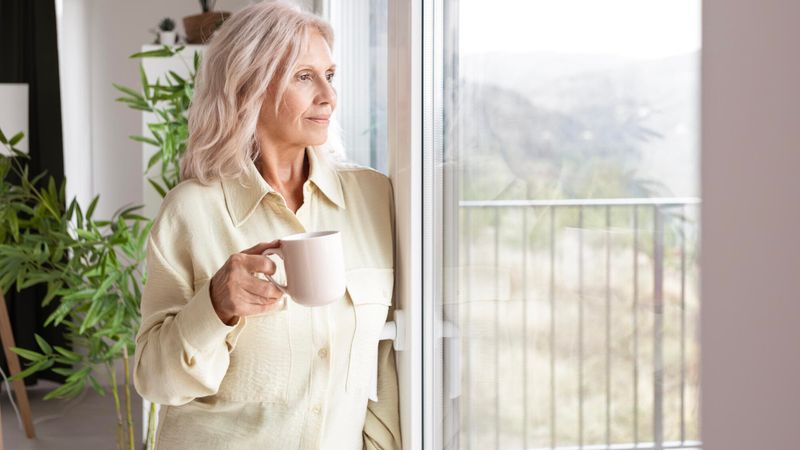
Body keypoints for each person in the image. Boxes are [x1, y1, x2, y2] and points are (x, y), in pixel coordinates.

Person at [132, 2, 401, 449]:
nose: (328, 97)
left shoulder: (373, 199)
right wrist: (215, 306)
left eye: (329, 75)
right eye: (303, 76)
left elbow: (389, 361)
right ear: (248, 86)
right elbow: (156, 381)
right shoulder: (190, 212)